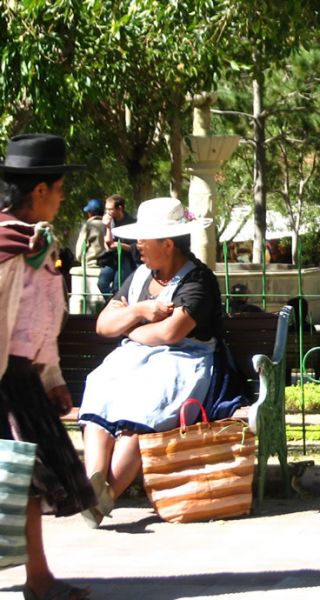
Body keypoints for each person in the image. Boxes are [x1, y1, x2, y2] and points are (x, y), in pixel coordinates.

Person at [77, 197, 224, 526]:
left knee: (140, 412)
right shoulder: (141, 276)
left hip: (182, 361)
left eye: (144, 239)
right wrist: (140, 312)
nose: (137, 245)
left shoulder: (197, 281)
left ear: (167, 244)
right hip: (133, 359)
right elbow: (104, 325)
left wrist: (129, 327)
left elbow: (172, 333)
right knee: (100, 391)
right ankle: (94, 481)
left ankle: (104, 499)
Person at [0, 134, 95, 599]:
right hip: (3, 380)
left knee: (26, 482)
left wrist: (53, 377)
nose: (62, 199)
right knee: (20, 481)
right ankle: (38, 579)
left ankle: (39, 579)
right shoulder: (5, 243)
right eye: (59, 189)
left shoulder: (37, 248)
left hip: (21, 379)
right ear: (39, 191)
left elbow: (39, 320)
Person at [97, 194, 137, 299]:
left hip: (126, 258)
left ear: (120, 208)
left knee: (118, 286)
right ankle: (111, 303)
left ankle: (116, 304)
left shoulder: (132, 223)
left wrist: (121, 245)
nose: (107, 212)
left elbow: (135, 247)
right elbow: (108, 244)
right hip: (112, 257)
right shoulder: (109, 222)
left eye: (110, 209)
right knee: (102, 283)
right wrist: (107, 227)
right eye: (106, 209)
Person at [73, 198, 107, 269]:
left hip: (90, 264)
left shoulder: (88, 226)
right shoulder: (107, 225)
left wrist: (80, 258)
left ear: (90, 213)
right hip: (106, 264)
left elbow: (80, 248)